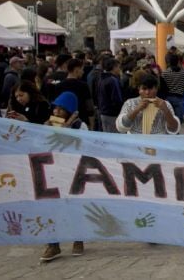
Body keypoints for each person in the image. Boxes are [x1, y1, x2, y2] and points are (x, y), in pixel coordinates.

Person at [40, 91, 87, 261]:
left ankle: (78, 239)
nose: (56, 113)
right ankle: (53, 245)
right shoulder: (49, 124)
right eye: (55, 109)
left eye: (61, 110)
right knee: (51, 207)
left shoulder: (80, 126)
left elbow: (84, 145)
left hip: (74, 171)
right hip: (52, 171)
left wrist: (67, 131)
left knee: (74, 206)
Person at [56, 58, 95, 129]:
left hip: (63, 122)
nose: (83, 72)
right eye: (82, 69)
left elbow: (56, 106)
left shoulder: (59, 85)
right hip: (81, 122)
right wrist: (91, 125)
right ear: (76, 69)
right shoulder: (83, 86)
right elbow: (89, 107)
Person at [97, 57, 123, 133]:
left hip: (103, 112)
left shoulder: (101, 79)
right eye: (118, 67)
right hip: (113, 114)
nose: (119, 69)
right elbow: (117, 99)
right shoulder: (113, 80)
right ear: (114, 67)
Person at [161, 53, 184, 122]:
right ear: (178, 62)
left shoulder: (165, 73)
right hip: (179, 98)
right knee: (178, 120)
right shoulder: (183, 73)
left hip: (168, 98)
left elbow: (162, 86)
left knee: (168, 119)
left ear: (169, 62)